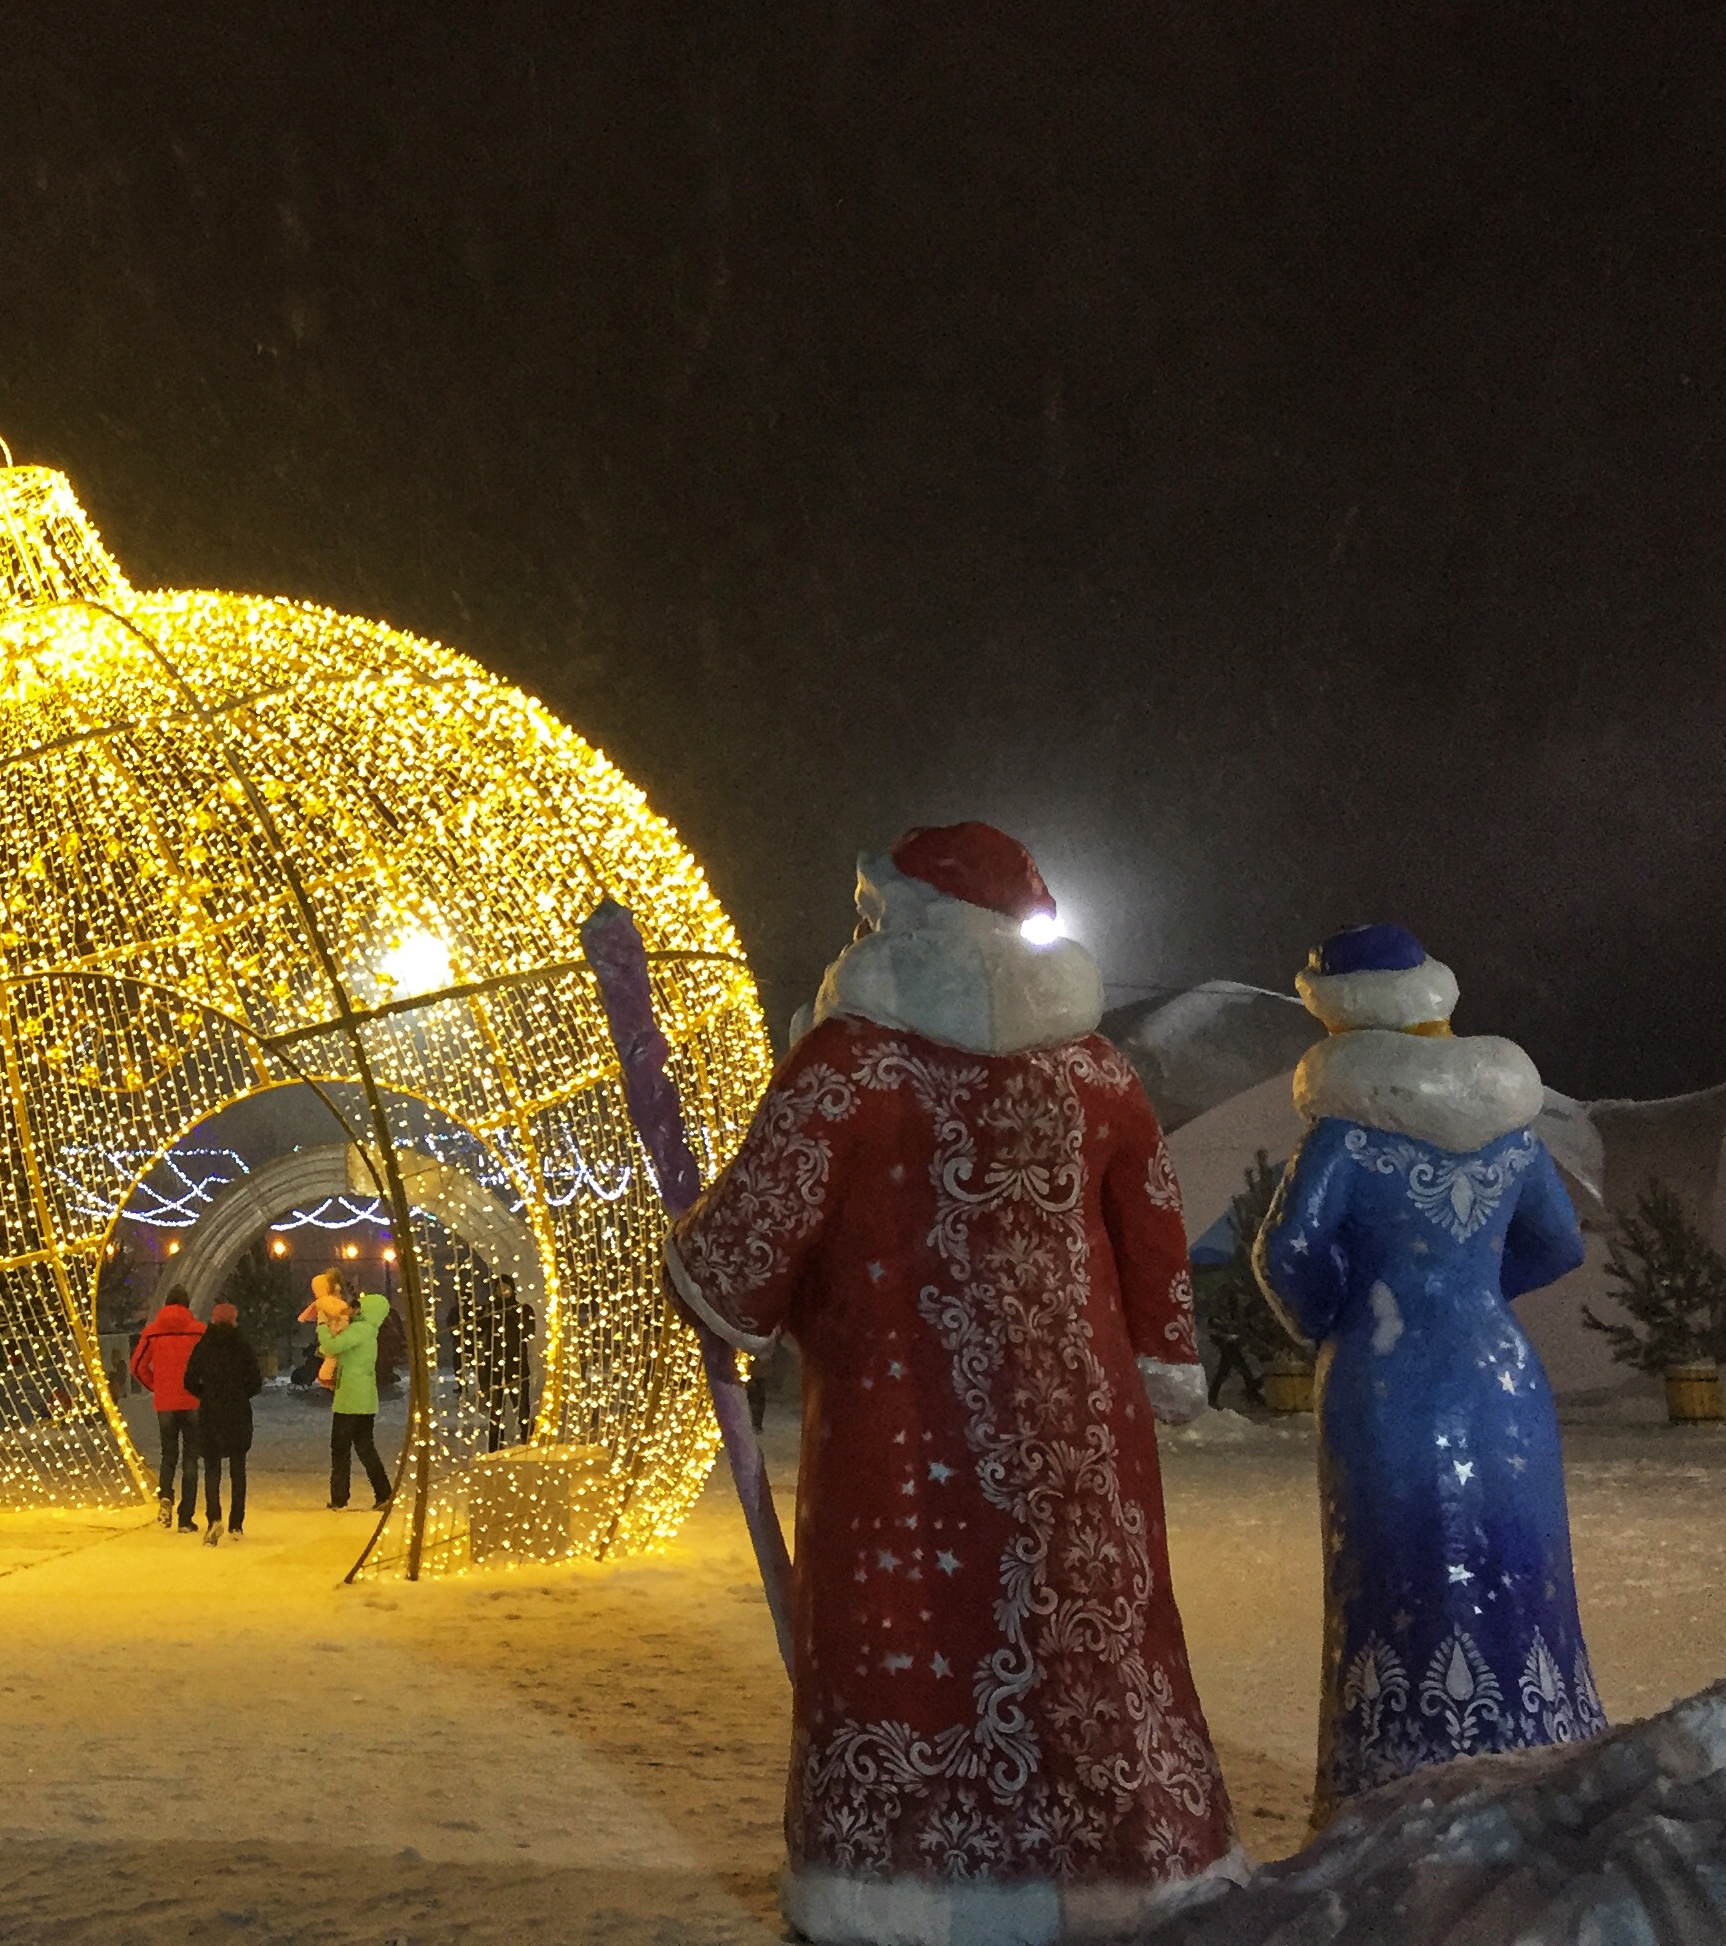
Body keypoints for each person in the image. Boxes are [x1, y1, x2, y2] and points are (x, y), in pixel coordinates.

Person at [668, 823, 1240, 1944]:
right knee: (1091, 1640)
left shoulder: (849, 1065)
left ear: (900, 924)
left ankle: (904, 1893)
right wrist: (1165, 1357)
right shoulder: (1095, 1071)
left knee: (911, 1638)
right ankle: (1124, 1868)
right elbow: (1156, 1227)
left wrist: (695, 1260)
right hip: (1082, 1439)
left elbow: (734, 1269)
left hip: (897, 1438)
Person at [1252, 925, 1602, 1819]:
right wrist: (1480, 1296)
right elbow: (1559, 1244)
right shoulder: (1513, 1137)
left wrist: (1336, 1318)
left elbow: (1287, 1252)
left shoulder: (1347, 1133)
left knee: (1396, 1563)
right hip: (1498, 1371)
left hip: (1386, 1374)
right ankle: (1534, 1744)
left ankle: (1396, 1772)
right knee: (1518, 1564)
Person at [304, 1270, 393, 1510]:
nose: (351, 1309)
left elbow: (331, 1344)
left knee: (341, 1448)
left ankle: (340, 1498)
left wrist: (322, 1323)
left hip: (351, 1399)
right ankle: (383, 1494)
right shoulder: (365, 1330)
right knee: (365, 1446)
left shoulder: (361, 1331)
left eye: (357, 1307)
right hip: (362, 1398)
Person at [182, 1300, 262, 1544]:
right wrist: (239, 1393)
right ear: (234, 1319)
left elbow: (189, 1380)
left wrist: (206, 1393)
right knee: (238, 1468)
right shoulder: (242, 1345)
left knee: (212, 1468)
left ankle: (213, 1518)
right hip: (237, 1413)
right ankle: (236, 1523)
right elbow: (255, 1381)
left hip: (211, 1413)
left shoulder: (204, 1346)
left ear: (213, 1320)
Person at [126, 1285, 205, 1531]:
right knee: (191, 1457)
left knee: (169, 1455)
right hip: (194, 1401)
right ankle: (185, 1518)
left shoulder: (152, 1333)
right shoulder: (200, 1332)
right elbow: (210, 1365)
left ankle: (166, 1497)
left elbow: (136, 1366)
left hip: (166, 1403)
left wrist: (156, 1385)